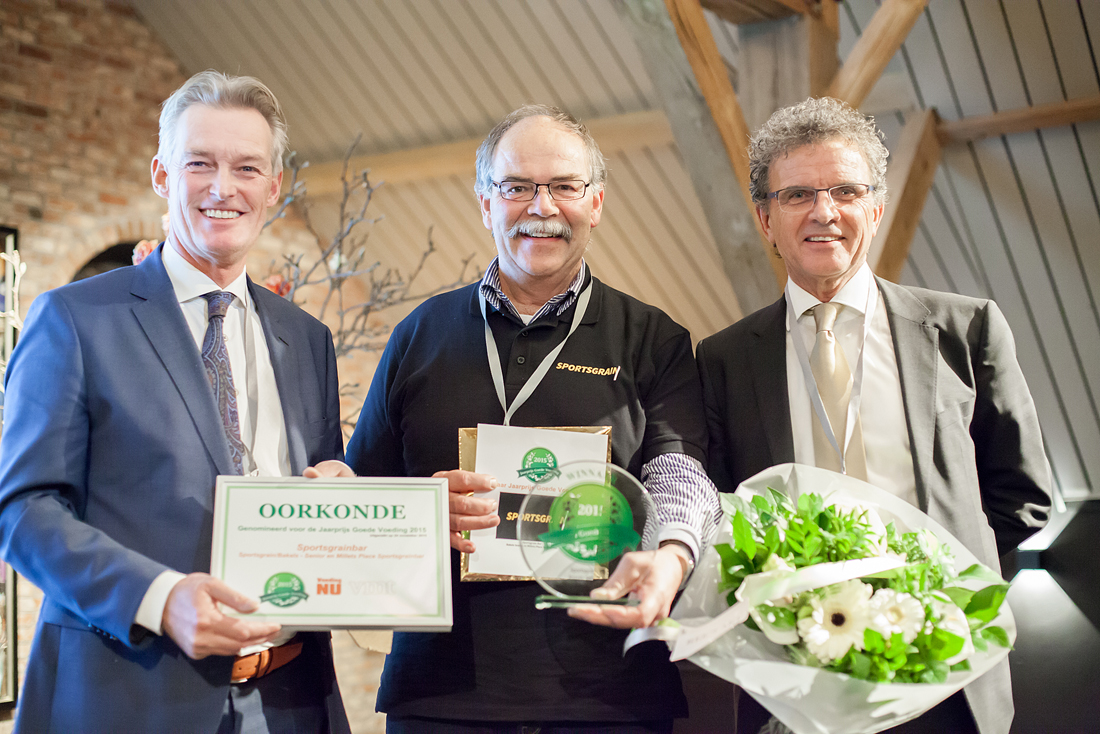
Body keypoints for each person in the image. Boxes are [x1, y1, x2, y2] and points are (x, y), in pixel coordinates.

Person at [344, 104, 721, 732]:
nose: (541, 207)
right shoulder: (419, 333)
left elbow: (679, 471)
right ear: (485, 203)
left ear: (595, 203)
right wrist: (417, 508)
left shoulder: (653, 339)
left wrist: (672, 553)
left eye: (564, 186)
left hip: (610, 698)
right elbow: (360, 491)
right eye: (516, 186)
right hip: (440, 697)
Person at [0, 71, 351, 733]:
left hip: (292, 702)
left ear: (273, 187)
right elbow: (23, 511)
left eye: (247, 168)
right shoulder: (75, 320)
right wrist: (159, 599)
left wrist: (342, 496)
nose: (223, 188)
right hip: (127, 700)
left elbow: (319, 489)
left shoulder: (307, 339)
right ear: (162, 175)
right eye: (200, 164)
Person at [696, 97, 1052, 734]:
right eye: (798, 194)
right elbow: (719, 516)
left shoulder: (964, 330)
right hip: (797, 680)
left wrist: (937, 589)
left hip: (948, 677)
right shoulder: (723, 359)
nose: (824, 212)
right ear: (765, 219)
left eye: (845, 191)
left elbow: (1023, 497)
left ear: (876, 208)